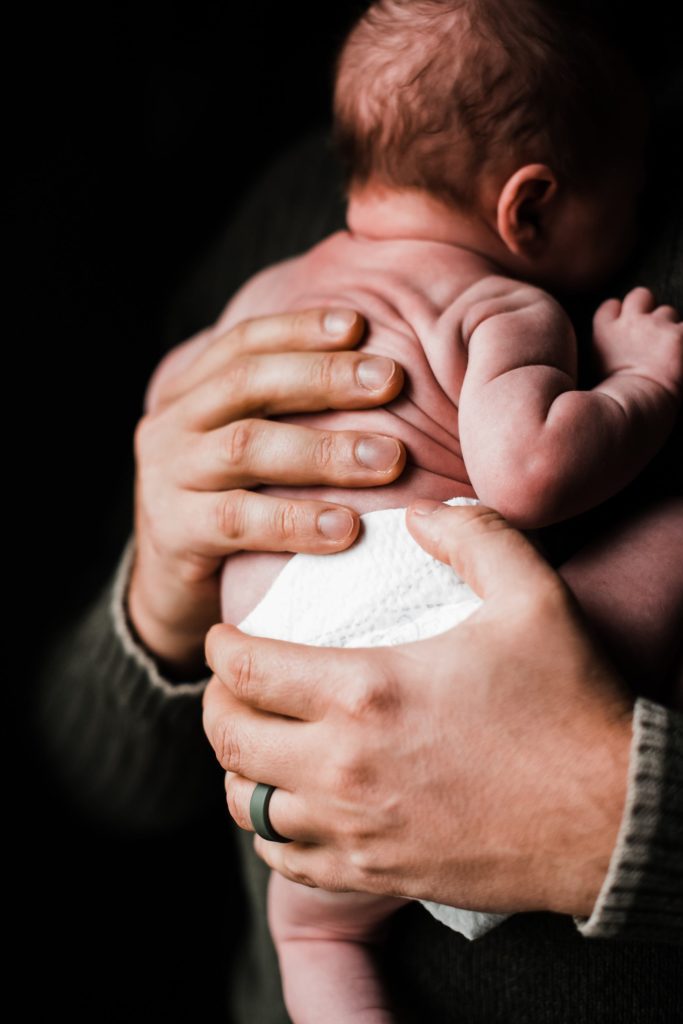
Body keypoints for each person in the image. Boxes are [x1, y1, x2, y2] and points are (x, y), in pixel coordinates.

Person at [31, 23, 682, 1024]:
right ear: (531, 205)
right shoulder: (497, 299)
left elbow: (172, 392)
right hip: (428, 630)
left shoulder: (262, 292)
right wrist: (640, 379)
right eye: (626, 195)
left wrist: (613, 807)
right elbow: (529, 467)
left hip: (288, 716)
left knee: (319, 929)